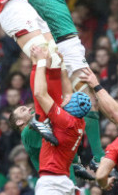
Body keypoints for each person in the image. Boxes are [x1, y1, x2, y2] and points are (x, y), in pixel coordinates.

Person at [0, 0, 105, 162]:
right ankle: (98, 155)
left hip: (68, 43)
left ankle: (74, 160)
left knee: (66, 105)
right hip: (60, 43)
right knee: (89, 100)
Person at [30, 45, 90, 194]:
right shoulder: (78, 121)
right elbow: (68, 93)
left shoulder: (66, 121)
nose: (65, 99)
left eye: (68, 101)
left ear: (70, 109)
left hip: (52, 184)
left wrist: (41, 62)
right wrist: (62, 66)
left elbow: (39, 93)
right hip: (63, 180)